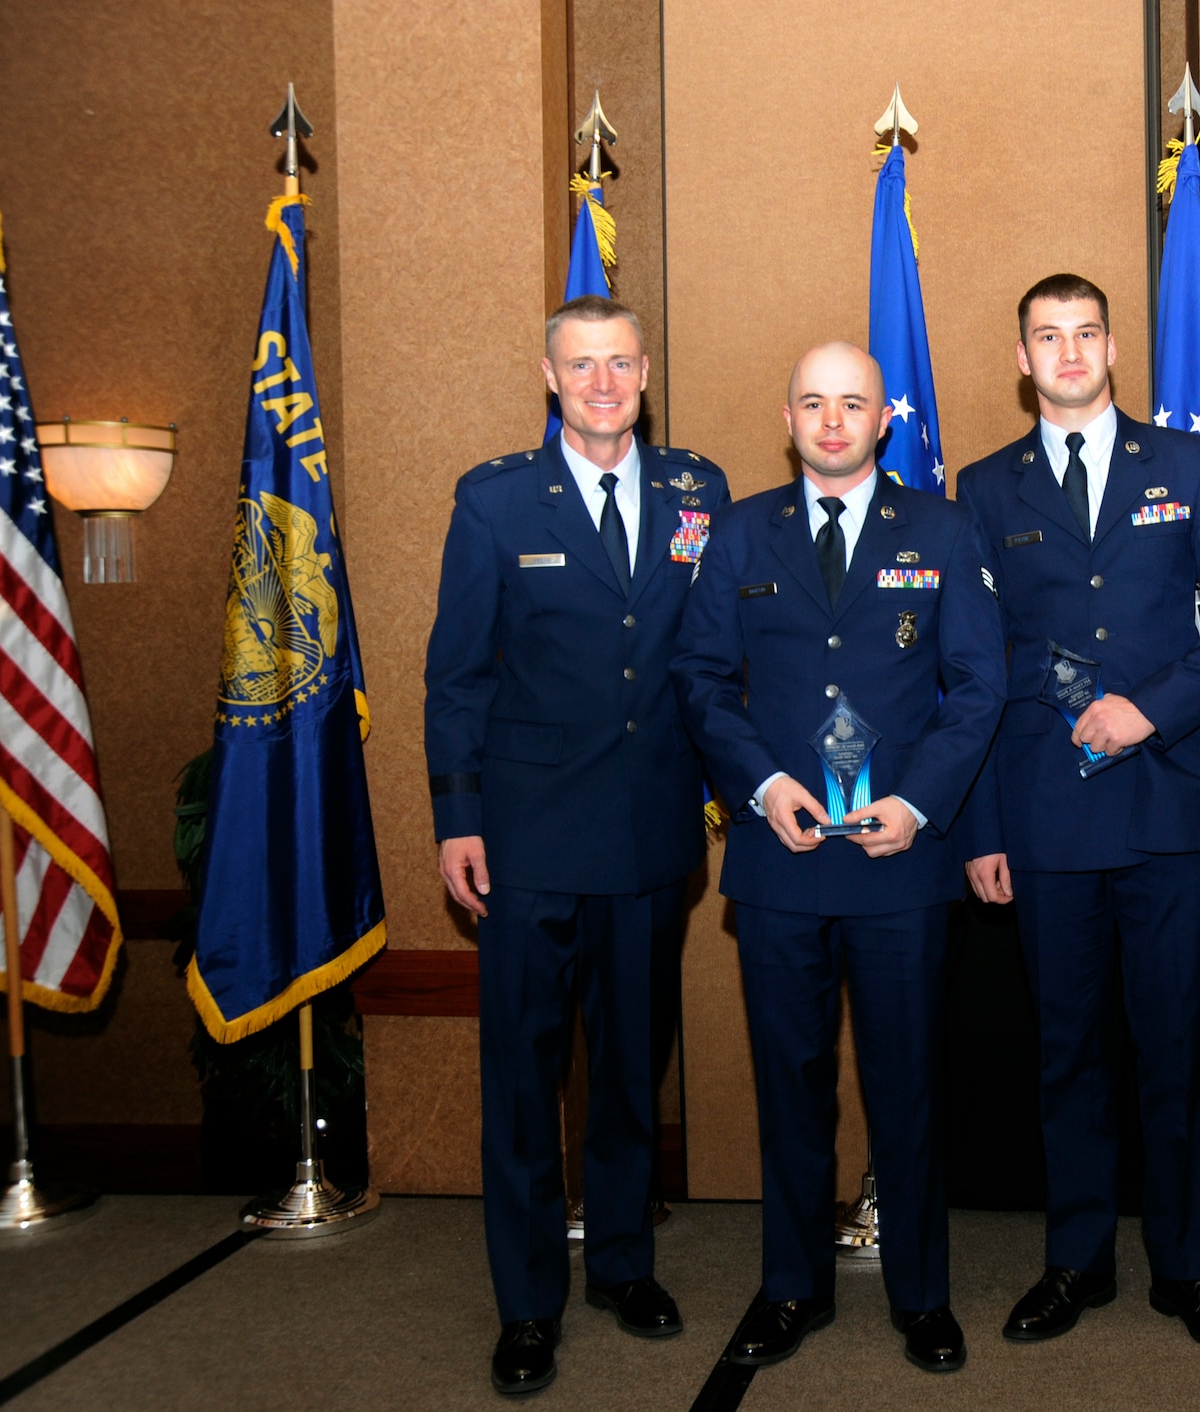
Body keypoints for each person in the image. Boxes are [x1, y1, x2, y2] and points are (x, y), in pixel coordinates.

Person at [671, 342, 1005, 1374]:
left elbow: (978, 684)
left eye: (850, 402)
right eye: (812, 402)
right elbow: (699, 678)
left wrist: (916, 802)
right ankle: (790, 1286)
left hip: (900, 862)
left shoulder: (941, 529)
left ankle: (921, 1293)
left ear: (881, 419)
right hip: (780, 860)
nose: (830, 419)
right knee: (790, 1084)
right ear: (787, 414)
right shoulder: (737, 532)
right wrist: (762, 787)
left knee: (907, 1086)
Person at [955, 274, 1200, 1354]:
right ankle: (1076, 1258)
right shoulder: (984, 487)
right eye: (1045, 335)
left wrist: (1153, 710)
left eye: (1084, 332)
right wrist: (982, 825)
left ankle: (1187, 1267)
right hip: (1044, 815)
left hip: (1168, 804)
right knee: (1064, 1050)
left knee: (1174, 1049)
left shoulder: (1181, 465)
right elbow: (974, 660)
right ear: (1022, 356)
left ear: (1110, 346)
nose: (1067, 350)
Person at [424, 296, 730, 1395]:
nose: (602, 383)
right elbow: (457, 672)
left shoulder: (700, 489)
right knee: (523, 1077)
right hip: (527, 840)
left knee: (628, 1075)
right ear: (549, 376)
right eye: (580, 365)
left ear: (645, 371)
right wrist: (457, 814)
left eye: (619, 364)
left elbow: (713, 659)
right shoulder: (496, 498)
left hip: (651, 835)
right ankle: (526, 1303)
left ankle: (620, 1263)